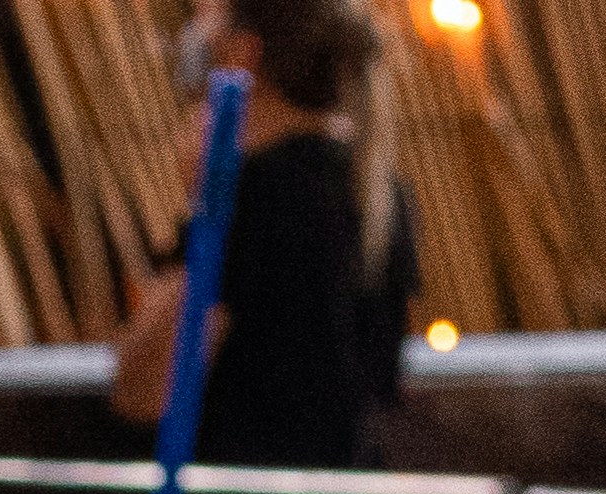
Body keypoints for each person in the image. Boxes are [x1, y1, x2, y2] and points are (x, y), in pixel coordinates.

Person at [110, 0, 418, 467]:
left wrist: (205, 193)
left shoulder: (256, 194)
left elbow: (144, 391)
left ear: (242, 54)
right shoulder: (380, 192)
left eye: (207, 24)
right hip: (343, 491)